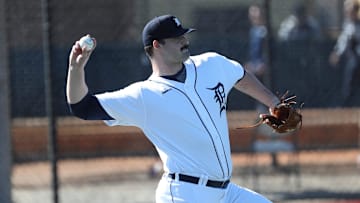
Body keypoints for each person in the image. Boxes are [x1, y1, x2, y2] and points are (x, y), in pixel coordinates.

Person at [66, 14, 281, 203]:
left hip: (226, 193)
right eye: (177, 38)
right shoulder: (144, 96)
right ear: (157, 45)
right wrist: (76, 69)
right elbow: (82, 107)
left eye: (184, 35)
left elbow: (240, 76)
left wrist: (273, 102)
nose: (184, 40)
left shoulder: (210, 64)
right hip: (185, 194)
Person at [329, 0, 360, 106]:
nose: (351, 13)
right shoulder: (348, 25)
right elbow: (343, 41)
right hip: (353, 61)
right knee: (349, 85)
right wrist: (337, 53)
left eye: (354, 10)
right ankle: (347, 106)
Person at [245, 4, 268, 114]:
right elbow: (252, 51)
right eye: (252, 15)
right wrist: (251, 64)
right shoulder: (253, 31)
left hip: (266, 69)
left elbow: (268, 51)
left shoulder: (266, 31)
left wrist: (263, 63)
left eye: (256, 14)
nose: (253, 17)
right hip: (255, 67)